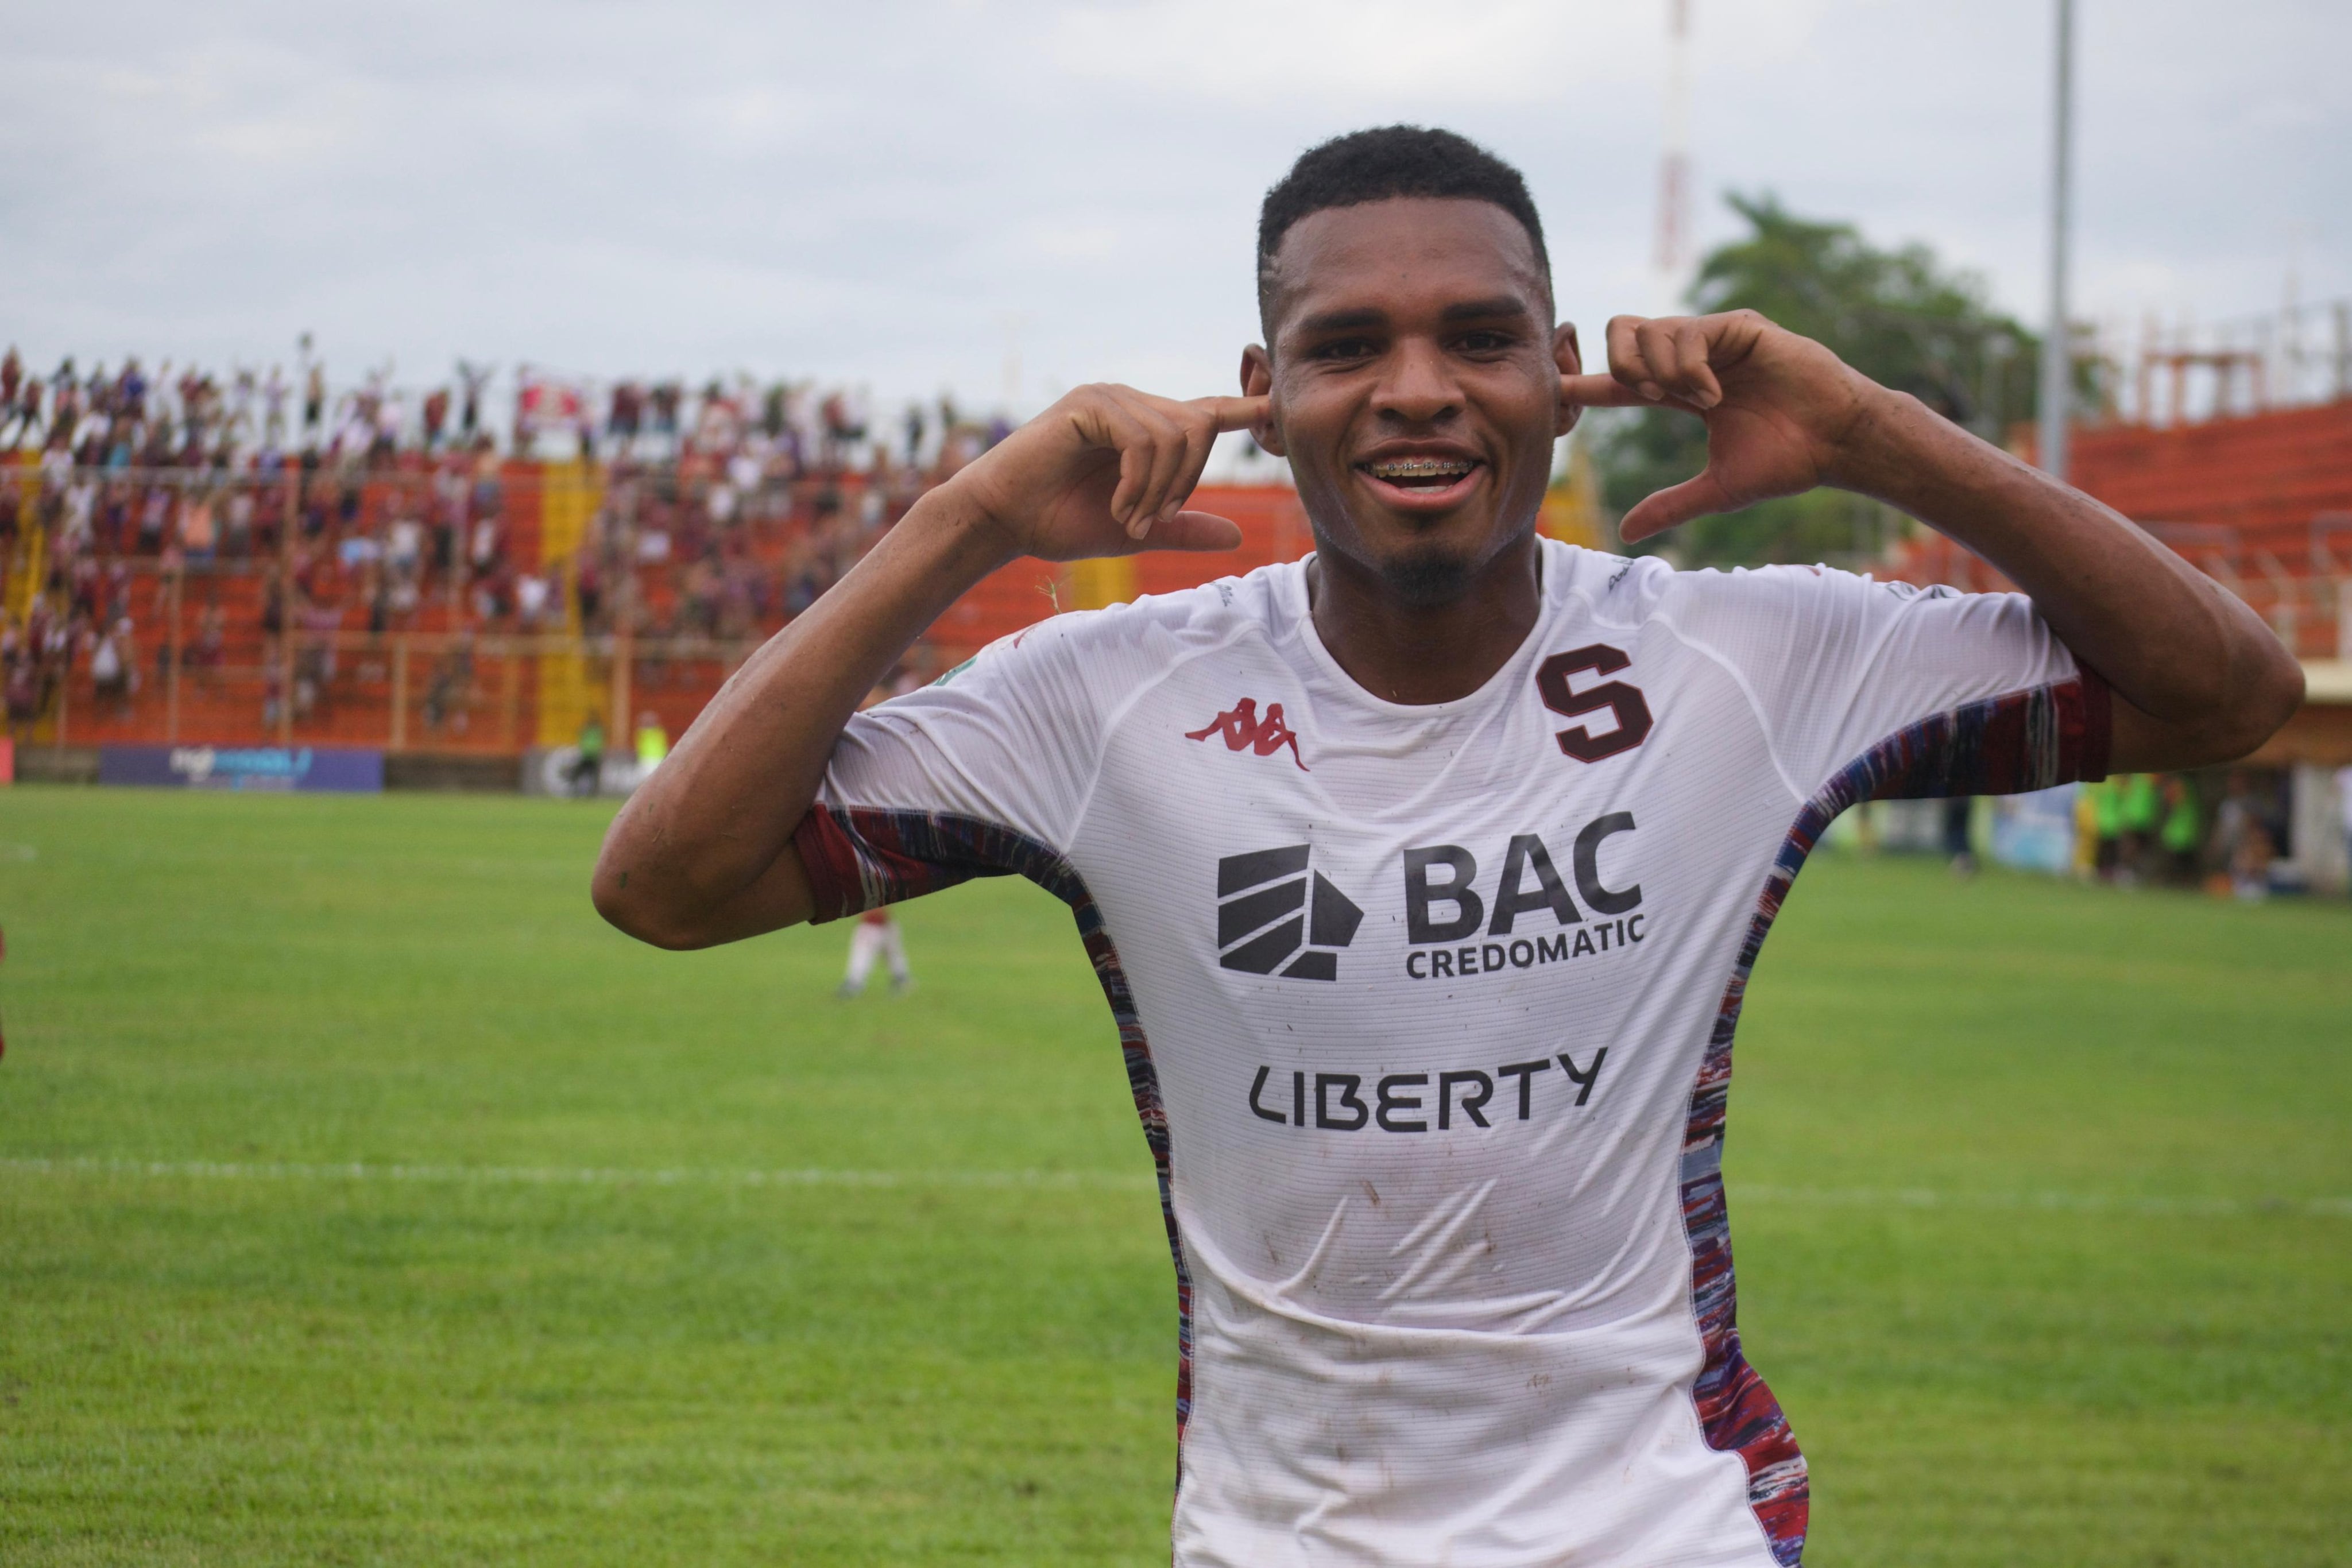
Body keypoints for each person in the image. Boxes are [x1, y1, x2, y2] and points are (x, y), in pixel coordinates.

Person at [590, 127, 2301, 1567]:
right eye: (1346, 347)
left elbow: (2229, 693)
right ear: (1264, 392)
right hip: (1276, 1534)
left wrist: (1872, 433)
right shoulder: (1107, 699)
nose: (1419, 392)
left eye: (1483, 335)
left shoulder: (1749, 658)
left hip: (1666, 1523)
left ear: (1562, 371)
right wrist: (958, 522)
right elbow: (664, 887)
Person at [837, 907, 913, 998]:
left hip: (878, 926)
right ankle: (854, 983)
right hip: (878, 925)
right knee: (890, 955)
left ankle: (854, 983)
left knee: (867, 956)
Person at [567, 713, 605, 798]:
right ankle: (577, 792)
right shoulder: (595, 731)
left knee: (588, 775)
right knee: (587, 775)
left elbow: (584, 741)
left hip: (590, 756)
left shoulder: (591, 731)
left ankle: (588, 794)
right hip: (588, 756)